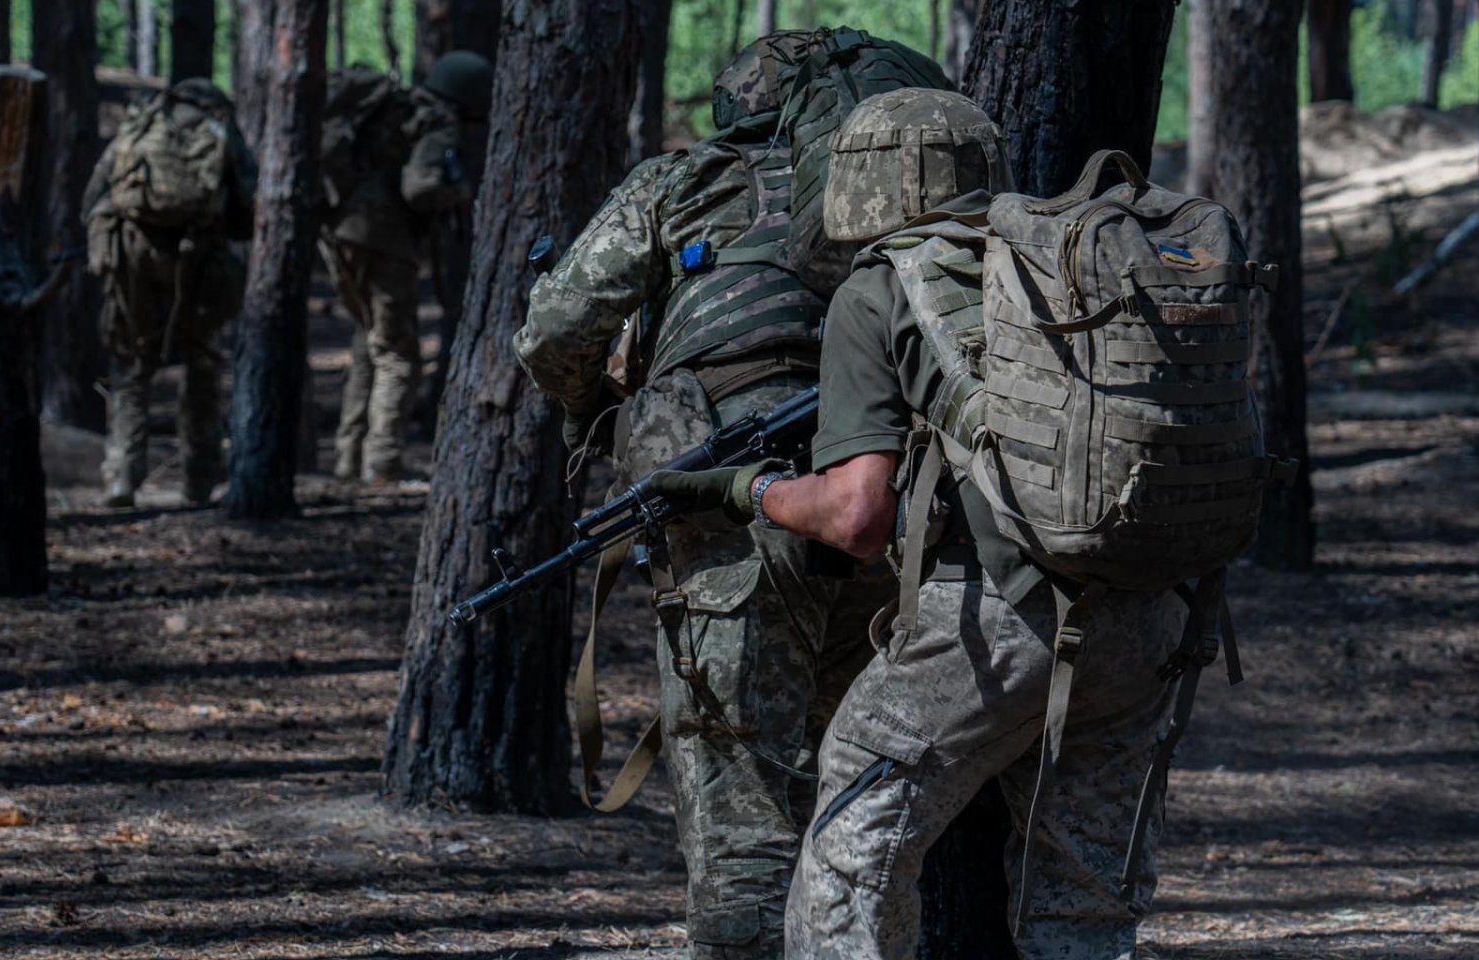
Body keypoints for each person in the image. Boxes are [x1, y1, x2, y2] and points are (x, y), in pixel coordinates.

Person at [648, 88, 1233, 959]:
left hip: (1003, 622)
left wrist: (749, 492)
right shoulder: (1062, 265)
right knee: (1083, 896)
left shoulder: (884, 284)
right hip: (1158, 613)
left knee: (852, 846)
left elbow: (855, 515)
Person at [511, 32, 894, 960]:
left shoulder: (680, 183)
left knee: (742, 800)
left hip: (728, 511)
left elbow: (555, 331)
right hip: (886, 491)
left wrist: (595, 408)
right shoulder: (897, 184)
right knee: (867, 789)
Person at [319, 51, 492, 483]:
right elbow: (420, 188)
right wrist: (458, 194)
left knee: (369, 343)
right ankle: (382, 463)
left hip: (340, 231)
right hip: (383, 240)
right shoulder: (437, 121)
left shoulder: (398, 108)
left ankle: (348, 455)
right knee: (399, 355)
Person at [83, 78, 256, 508]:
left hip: (131, 249)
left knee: (132, 365)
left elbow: (95, 191)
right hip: (197, 255)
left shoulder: (143, 122)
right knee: (201, 364)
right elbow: (246, 207)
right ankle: (199, 480)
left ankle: (122, 474)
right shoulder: (219, 128)